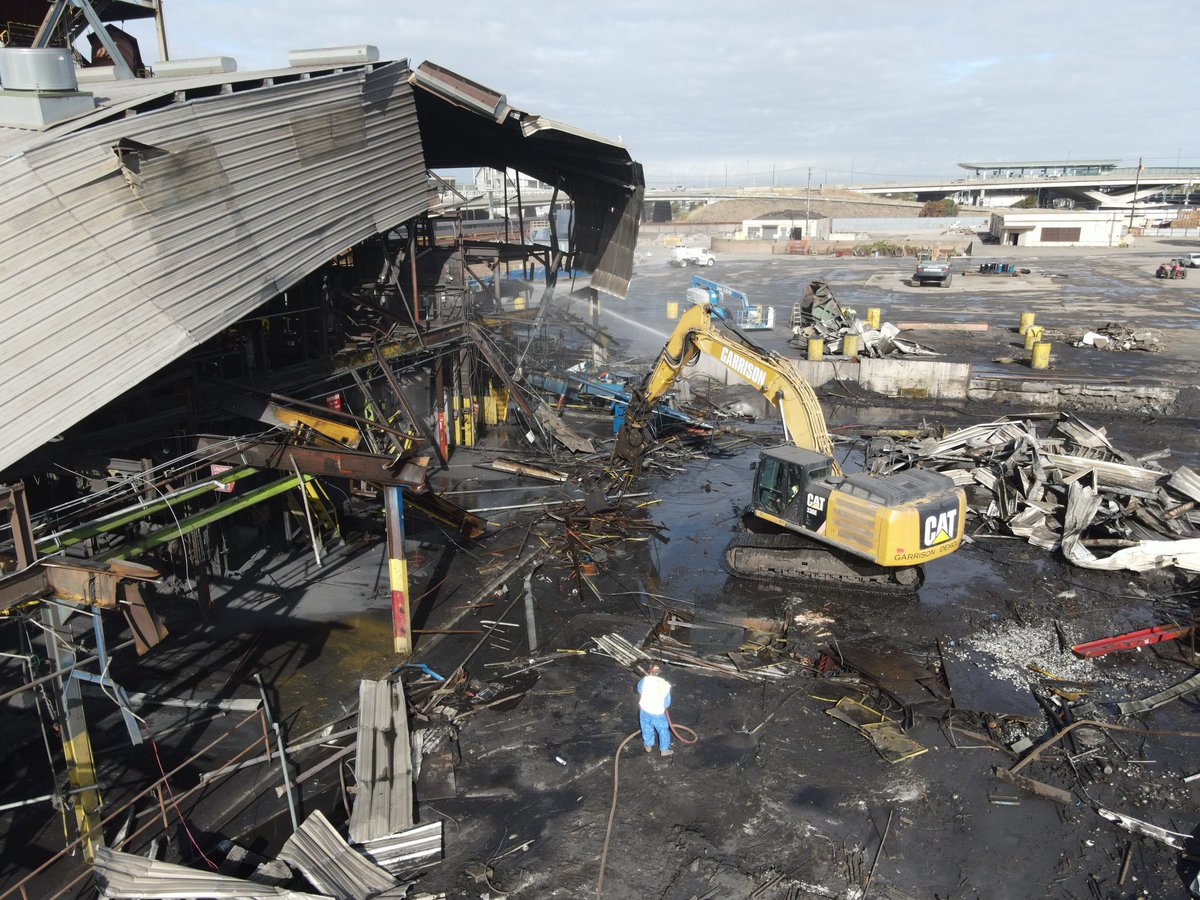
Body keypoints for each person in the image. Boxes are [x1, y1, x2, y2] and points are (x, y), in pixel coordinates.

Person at [637, 662, 673, 757]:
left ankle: (648, 745)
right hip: (657, 713)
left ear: (651, 672)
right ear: (659, 673)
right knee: (663, 730)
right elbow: (667, 703)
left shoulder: (645, 681)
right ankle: (664, 750)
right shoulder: (665, 685)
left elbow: (639, 690)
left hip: (644, 709)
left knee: (646, 727)